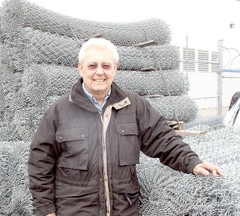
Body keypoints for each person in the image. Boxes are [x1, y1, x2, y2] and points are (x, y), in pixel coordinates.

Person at [28, 37, 224, 216]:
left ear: (115, 68)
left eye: (106, 65)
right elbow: (40, 162)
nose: (99, 72)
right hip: (74, 211)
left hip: (124, 210)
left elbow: (163, 139)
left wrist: (193, 162)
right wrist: (46, 210)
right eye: (92, 65)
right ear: (80, 68)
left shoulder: (134, 105)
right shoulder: (60, 110)